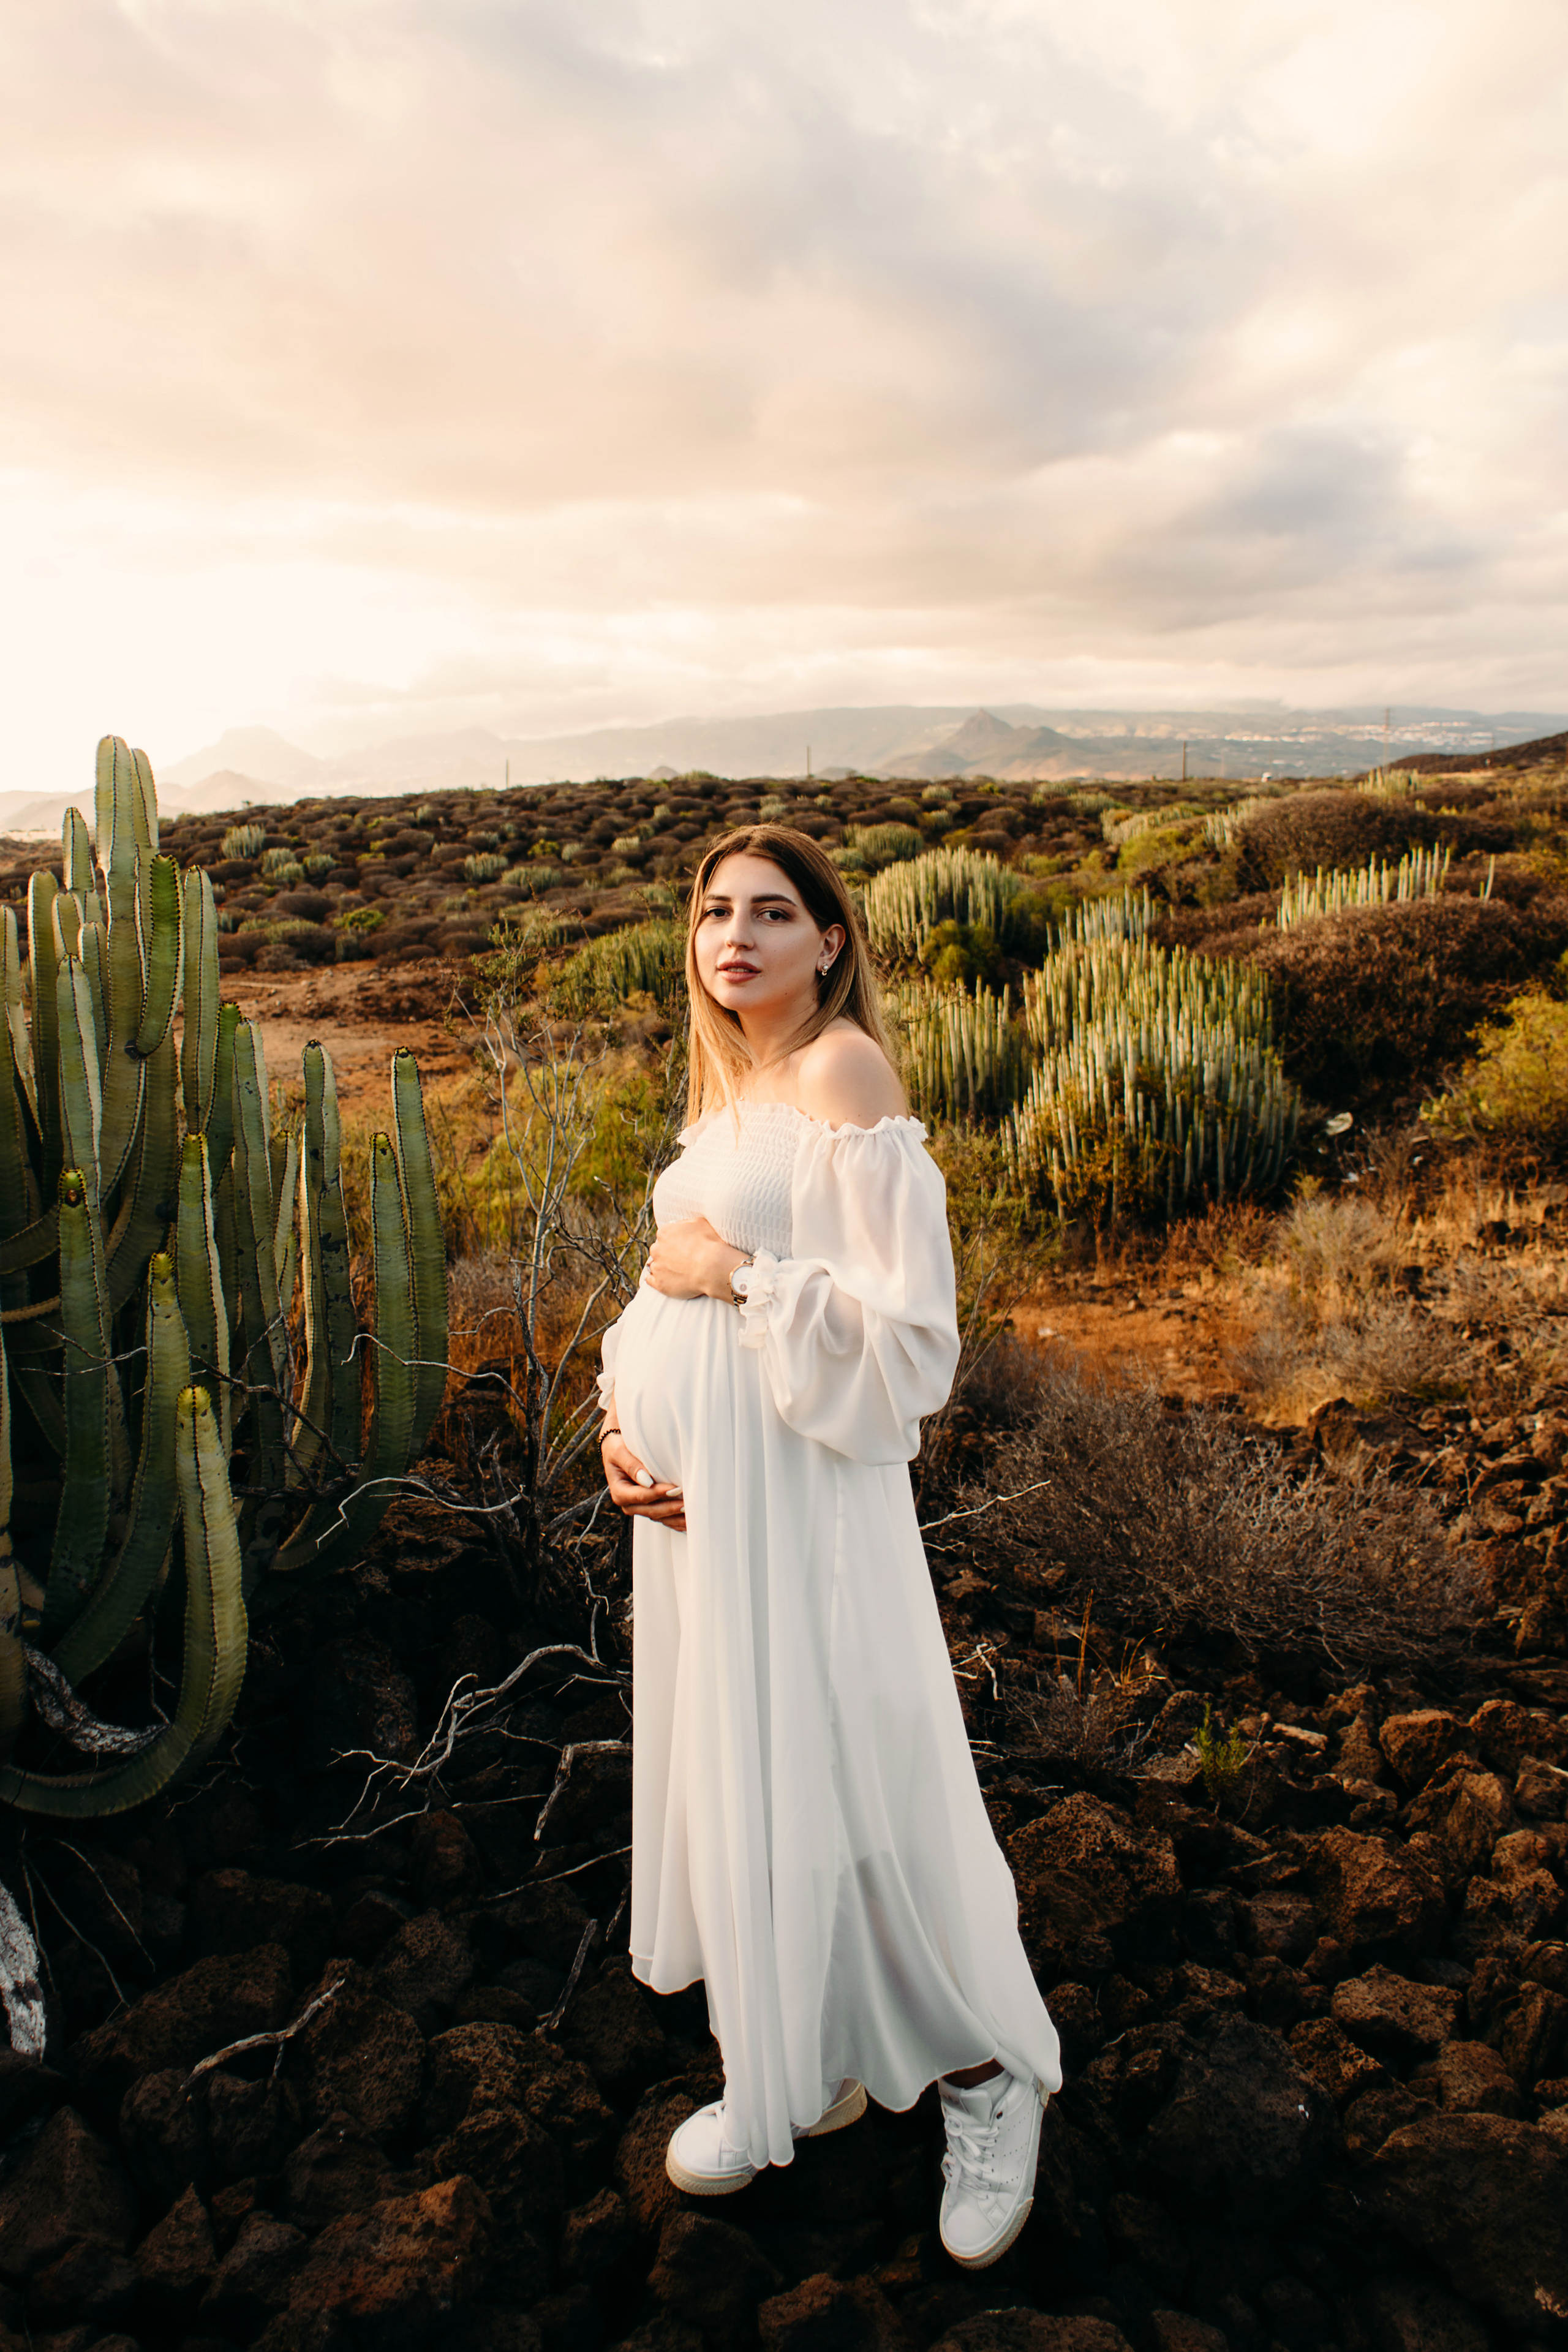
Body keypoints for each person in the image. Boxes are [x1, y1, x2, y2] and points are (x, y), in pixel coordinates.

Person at [596, 824, 1061, 2271]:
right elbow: (662, 1314)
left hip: (805, 1514)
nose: (733, 936)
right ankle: (788, 2065)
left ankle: (990, 2078)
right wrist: (622, 1430)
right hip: (700, 1523)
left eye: (772, 913)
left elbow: (907, 1340)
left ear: (829, 943)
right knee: (751, 1770)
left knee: (860, 1767)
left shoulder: (838, 1077)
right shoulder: (722, 1094)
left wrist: (727, 1270)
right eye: (713, 912)